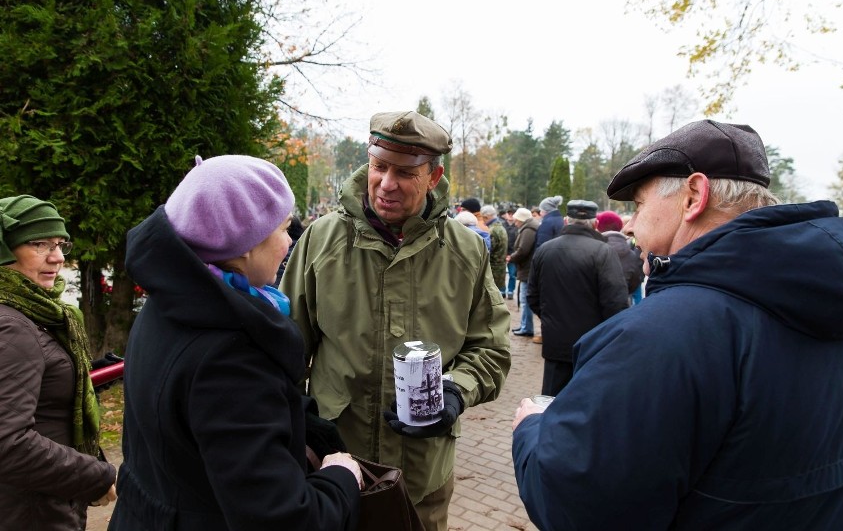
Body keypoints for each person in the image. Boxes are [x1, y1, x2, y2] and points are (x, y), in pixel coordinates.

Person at [512, 120, 843, 530]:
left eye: (638, 204)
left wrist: (531, 430)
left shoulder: (667, 332)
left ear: (694, 195)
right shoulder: (831, 301)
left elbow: (576, 504)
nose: (631, 225)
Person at [281, 111, 512, 531]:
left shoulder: (465, 251)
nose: (386, 183)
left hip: (422, 477)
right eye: (379, 166)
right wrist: (299, 428)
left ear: (434, 176)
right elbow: (284, 349)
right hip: (336, 467)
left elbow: (491, 349)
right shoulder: (321, 240)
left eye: (405, 172)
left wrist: (455, 392)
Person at [109, 156, 362, 530]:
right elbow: (283, 519)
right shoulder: (229, 357)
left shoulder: (173, 301)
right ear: (244, 246)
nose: (289, 242)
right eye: (282, 228)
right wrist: (341, 479)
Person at [0, 194, 117, 530]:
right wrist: (95, 476)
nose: (57, 257)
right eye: (39, 244)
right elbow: (7, 442)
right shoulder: (12, 324)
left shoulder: (35, 313)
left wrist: (91, 372)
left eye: (60, 244)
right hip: (28, 511)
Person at [527, 200, 629, 395]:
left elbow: (533, 296)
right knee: (586, 402)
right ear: (595, 224)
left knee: (552, 401)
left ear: (566, 221)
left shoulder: (545, 250)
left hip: (557, 342)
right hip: (592, 344)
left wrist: (551, 318)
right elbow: (616, 303)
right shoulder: (603, 252)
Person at [595, 210, 644, 304]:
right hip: (623, 301)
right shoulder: (630, 253)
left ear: (599, 227)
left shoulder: (594, 250)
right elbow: (635, 280)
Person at [506, 207, 540, 337]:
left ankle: (526, 327)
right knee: (524, 298)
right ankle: (525, 325)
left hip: (527, 269)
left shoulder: (528, 230)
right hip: (528, 268)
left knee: (525, 299)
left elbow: (523, 250)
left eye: (516, 220)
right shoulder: (530, 227)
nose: (515, 223)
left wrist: (511, 257)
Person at [480, 204, 508, 299]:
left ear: (486, 217)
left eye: (482, 218)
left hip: (493, 269)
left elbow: (487, 251)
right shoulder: (500, 227)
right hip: (500, 267)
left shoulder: (492, 230)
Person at [501, 208, 518, 299]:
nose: (511, 215)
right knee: (502, 274)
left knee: (512, 274)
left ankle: (510, 290)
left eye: (512, 213)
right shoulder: (502, 225)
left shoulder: (517, 227)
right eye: (509, 213)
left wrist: (511, 255)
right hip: (502, 254)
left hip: (513, 254)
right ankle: (502, 290)